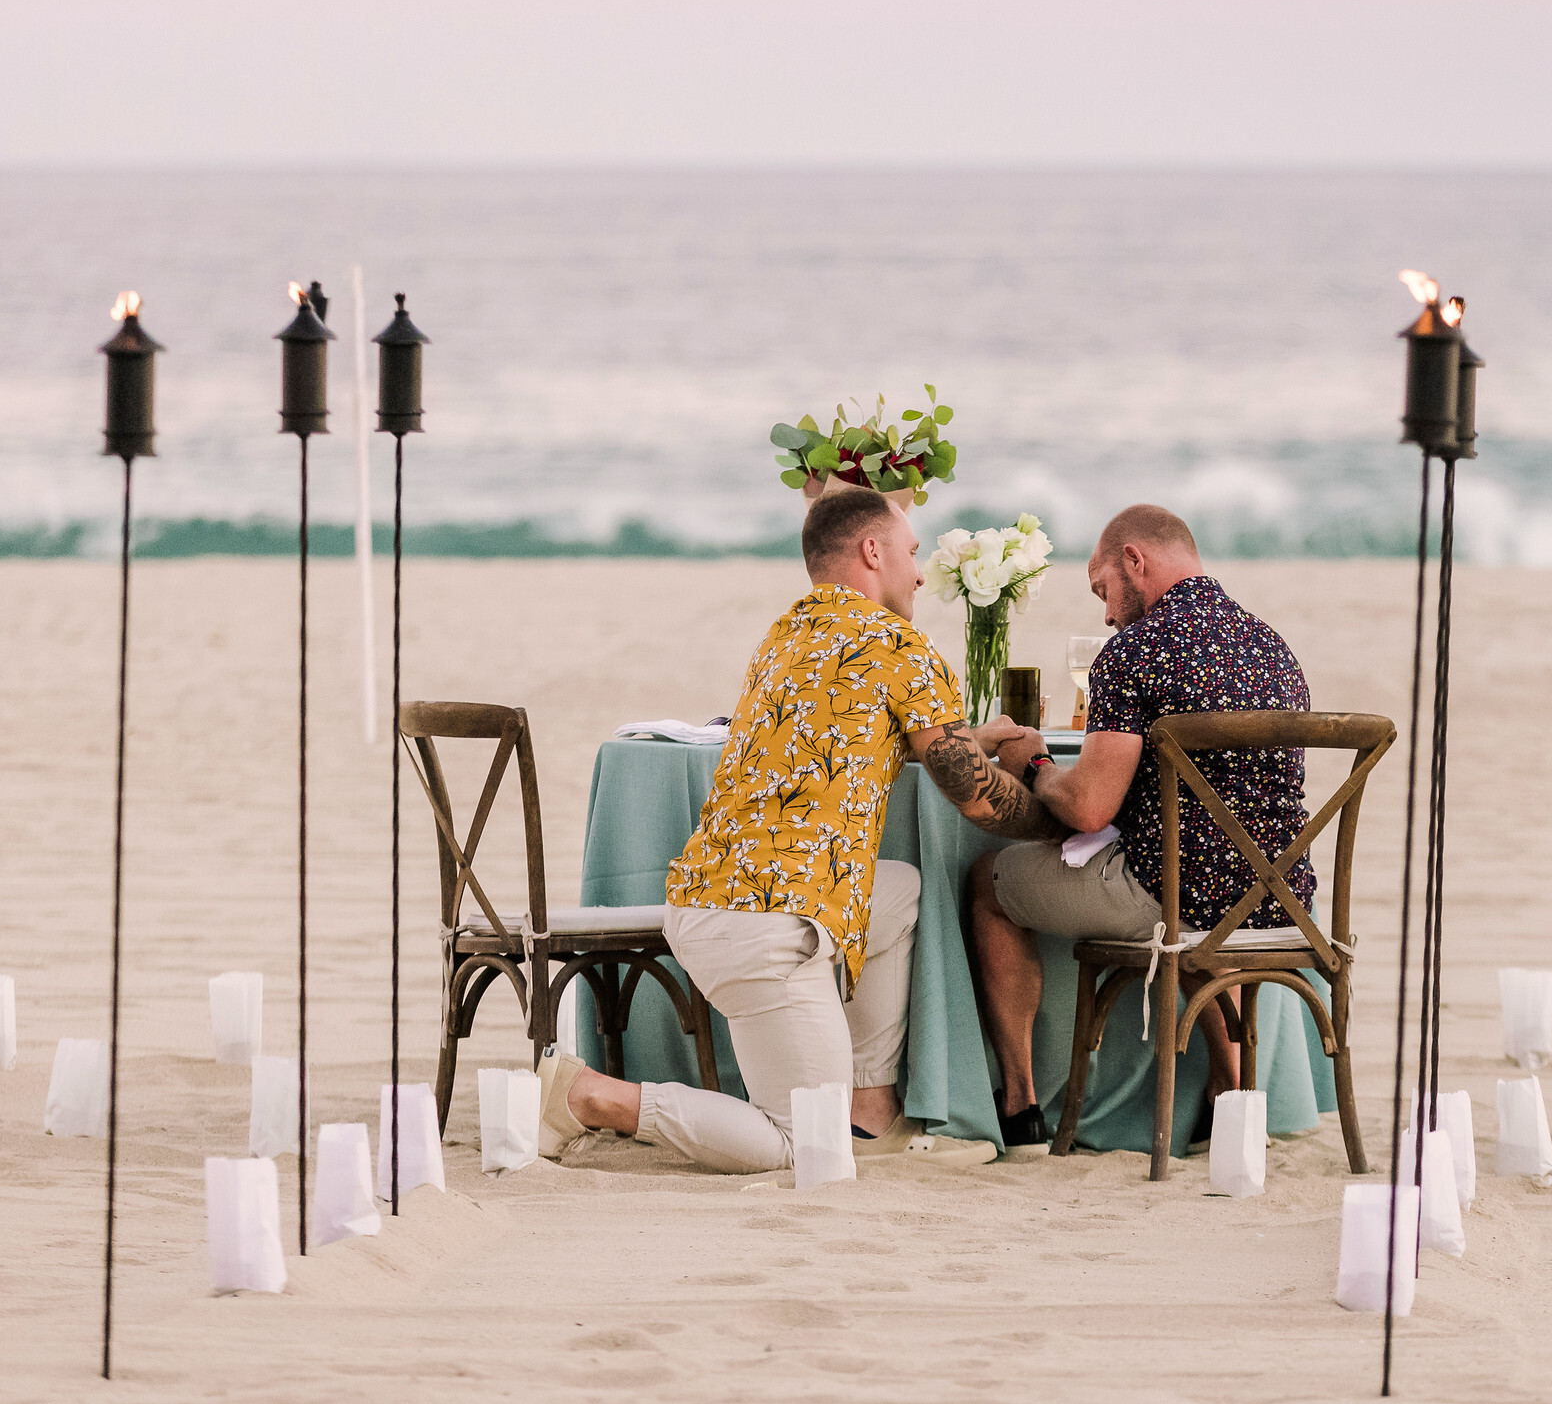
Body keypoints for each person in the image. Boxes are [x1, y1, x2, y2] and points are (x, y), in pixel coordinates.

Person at [539, 485, 1061, 1174]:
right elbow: (972, 796)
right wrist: (1052, 808)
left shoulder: (785, 637)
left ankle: (871, 1107)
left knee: (896, 892)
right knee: (799, 1146)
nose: (915, 574)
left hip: (705, 900)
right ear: (871, 551)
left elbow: (849, 729)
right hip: (771, 925)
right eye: (909, 554)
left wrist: (962, 736)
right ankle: (590, 1096)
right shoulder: (898, 644)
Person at [969, 504, 1314, 1151]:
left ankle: (1019, 1105)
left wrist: (1036, 763)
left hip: (1180, 896)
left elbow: (1090, 807)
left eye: (1102, 589)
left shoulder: (1135, 650)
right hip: (1278, 897)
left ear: (1135, 560)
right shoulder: (1272, 645)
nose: (1105, 612)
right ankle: (1230, 1095)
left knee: (987, 881)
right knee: (1191, 888)